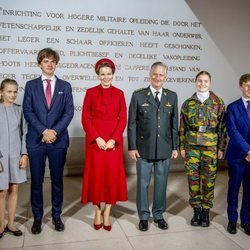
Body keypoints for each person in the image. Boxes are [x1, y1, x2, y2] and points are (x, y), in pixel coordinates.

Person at [23, 48, 74, 234]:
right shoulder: (30, 86)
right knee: (36, 181)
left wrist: (54, 132)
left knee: (57, 181)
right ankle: (37, 218)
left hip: (58, 141)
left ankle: (56, 216)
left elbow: (69, 112)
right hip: (36, 140)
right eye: (45, 61)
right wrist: (44, 131)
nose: (49, 64)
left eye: (52, 61)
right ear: (39, 64)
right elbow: (28, 111)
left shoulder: (65, 86)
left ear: (56, 64)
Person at [127, 61, 178, 231]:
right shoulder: (138, 95)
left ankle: (158, 214)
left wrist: (175, 146)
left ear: (166, 77)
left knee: (161, 183)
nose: (157, 77)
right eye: (155, 74)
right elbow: (132, 123)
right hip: (143, 147)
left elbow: (174, 124)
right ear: (150, 75)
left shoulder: (172, 96)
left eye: (161, 75)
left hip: (164, 147)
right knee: (142, 183)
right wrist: (132, 147)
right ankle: (143, 216)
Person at [81, 58, 127, 231]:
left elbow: (123, 118)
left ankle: (107, 211)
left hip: (113, 144)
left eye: (109, 74)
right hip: (95, 143)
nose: (106, 77)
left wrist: (113, 139)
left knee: (110, 178)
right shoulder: (91, 92)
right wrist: (97, 138)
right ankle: (96, 210)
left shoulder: (120, 93)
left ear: (113, 75)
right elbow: (85, 118)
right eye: (102, 74)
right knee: (96, 177)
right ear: (98, 75)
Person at [179, 71, 226, 227]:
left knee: (208, 180)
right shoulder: (187, 103)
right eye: (199, 81)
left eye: (205, 81)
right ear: (195, 82)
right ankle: (196, 210)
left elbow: (222, 128)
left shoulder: (218, 103)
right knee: (193, 180)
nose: (202, 84)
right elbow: (182, 127)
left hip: (210, 148)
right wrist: (182, 146)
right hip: (191, 147)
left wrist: (221, 148)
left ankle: (205, 211)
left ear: (210, 83)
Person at [0, 79, 28, 239]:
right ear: (1, 92)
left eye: (15, 91)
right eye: (9, 91)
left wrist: (24, 154)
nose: (13, 94)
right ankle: (0, 225)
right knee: (1, 191)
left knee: (14, 188)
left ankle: (10, 223)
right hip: (1, 157)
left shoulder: (20, 110)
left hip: (16, 156)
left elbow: (25, 133)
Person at [226, 74, 250, 235]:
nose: (249, 88)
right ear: (241, 86)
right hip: (237, 156)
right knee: (233, 189)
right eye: (247, 85)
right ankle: (232, 220)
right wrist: (247, 150)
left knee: (249, 190)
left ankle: (246, 220)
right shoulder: (232, 107)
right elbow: (232, 131)